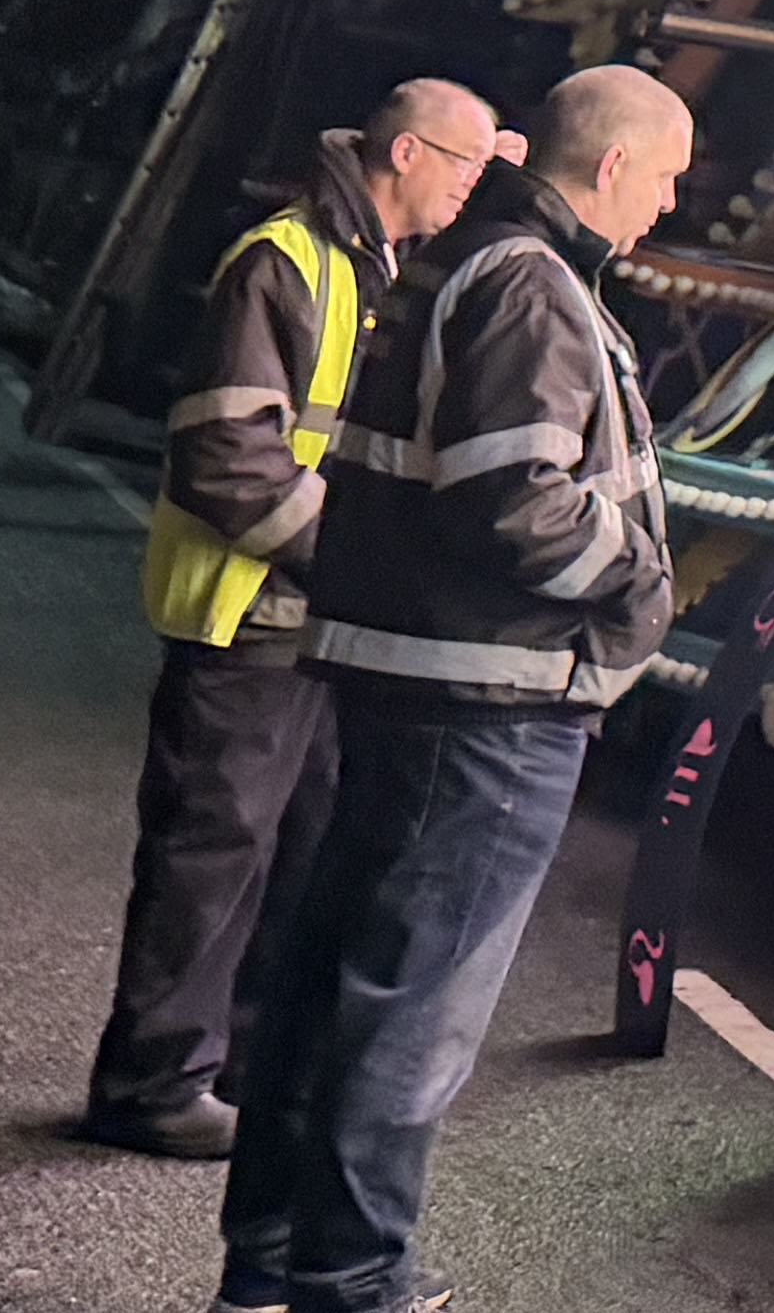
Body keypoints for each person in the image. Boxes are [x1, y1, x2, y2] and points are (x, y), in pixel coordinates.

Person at [217, 63, 693, 1313]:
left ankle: (272, 1263)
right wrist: (640, 578)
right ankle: (352, 1279)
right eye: (666, 177)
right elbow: (512, 492)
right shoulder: (532, 283)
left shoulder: (467, 262)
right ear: (612, 166)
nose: (669, 204)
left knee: (338, 977)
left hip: (419, 679)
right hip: (489, 698)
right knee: (410, 1013)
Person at [88, 78, 496, 1157]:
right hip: (249, 617)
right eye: (464, 163)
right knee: (213, 854)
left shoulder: (371, 266)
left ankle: (243, 1070)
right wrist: (356, 558)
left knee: (296, 853)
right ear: (405, 154)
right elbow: (226, 453)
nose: (472, 186)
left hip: (305, 618)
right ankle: (152, 1084)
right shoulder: (287, 260)